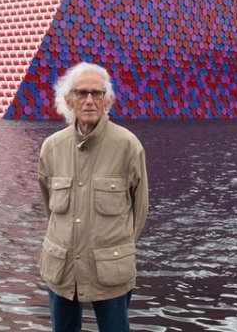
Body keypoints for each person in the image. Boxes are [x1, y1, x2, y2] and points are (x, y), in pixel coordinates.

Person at [37, 62, 149, 332]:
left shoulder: (127, 145)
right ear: (69, 101)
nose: (89, 100)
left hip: (110, 270)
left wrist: (117, 251)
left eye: (96, 94)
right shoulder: (52, 148)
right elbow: (48, 205)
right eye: (81, 93)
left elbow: (140, 209)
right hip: (62, 268)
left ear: (107, 100)